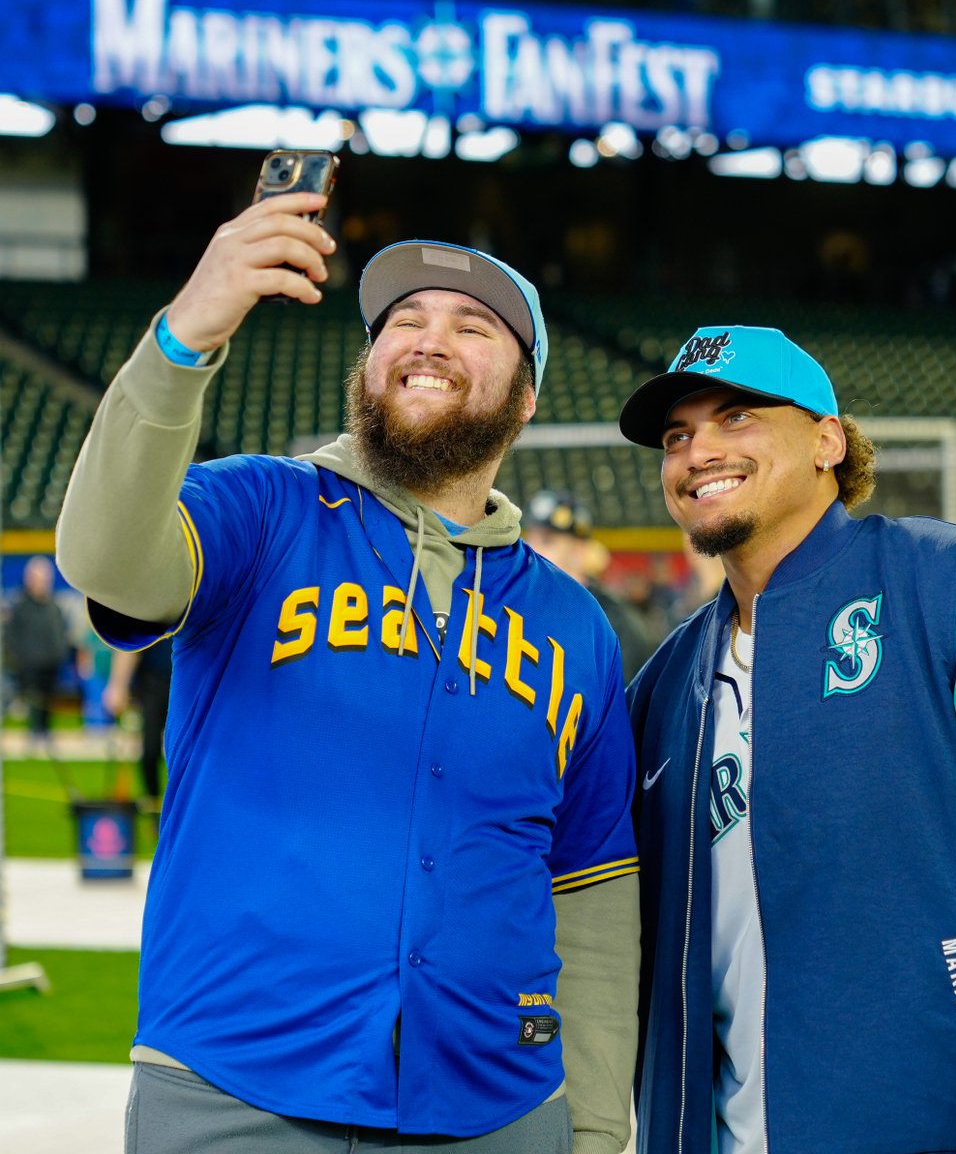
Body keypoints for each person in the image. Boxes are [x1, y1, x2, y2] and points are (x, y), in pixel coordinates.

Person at [55, 189, 639, 1154]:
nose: (428, 337)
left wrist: (595, 1127)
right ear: (365, 367)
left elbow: (592, 886)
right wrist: (187, 334)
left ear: (528, 397)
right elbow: (108, 560)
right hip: (237, 1093)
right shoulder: (258, 506)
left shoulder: (576, 624)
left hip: (502, 1111)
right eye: (402, 321)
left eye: (472, 325)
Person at [617, 325, 956, 1154]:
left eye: (737, 417)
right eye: (677, 437)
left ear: (827, 440)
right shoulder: (665, 683)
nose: (697, 451)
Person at [523, 488, 657, 684]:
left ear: (579, 551)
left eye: (547, 541)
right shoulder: (525, 609)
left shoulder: (613, 623)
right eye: (529, 539)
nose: (531, 550)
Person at [4, 555, 72, 752]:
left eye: (46, 579)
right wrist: (21, 657)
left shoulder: (54, 606)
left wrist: (59, 652)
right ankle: (35, 735)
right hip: (30, 665)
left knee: (48, 701)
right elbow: (12, 637)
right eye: (40, 578)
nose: (43, 583)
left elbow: (61, 632)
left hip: (51, 664)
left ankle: (45, 733)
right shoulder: (20, 606)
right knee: (34, 701)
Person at [102, 641, 173, 806]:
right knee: (150, 750)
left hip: (185, 680)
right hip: (153, 682)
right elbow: (129, 644)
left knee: (185, 753)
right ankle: (153, 803)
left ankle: (179, 808)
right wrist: (118, 686)